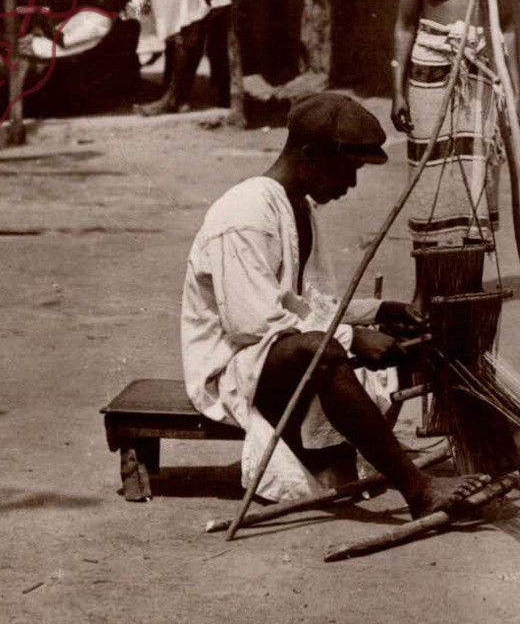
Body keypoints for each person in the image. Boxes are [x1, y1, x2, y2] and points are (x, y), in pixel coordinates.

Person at [181, 91, 489, 514]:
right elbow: (255, 326)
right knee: (323, 351)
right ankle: (416, 487)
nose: (351, 184)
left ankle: (498, 451)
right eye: (347, 170)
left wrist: (380, 313)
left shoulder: (298, 210)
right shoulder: (244, 216)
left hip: (272, 354)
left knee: (400, 338)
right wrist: (350, 337)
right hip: (233, 366)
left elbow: (309, 304)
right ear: (308, 155)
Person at [390, 0, 520, 253]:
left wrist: (513, 87)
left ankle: (470, 275)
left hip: (480, 74)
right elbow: (404, 25)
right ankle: (425, 284)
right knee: (429, 169)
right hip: (429, 73)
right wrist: (396, 92)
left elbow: (508, 29)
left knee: (478, 168)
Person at [19, 0, 141, 115]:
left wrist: (42, 21)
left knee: (0, 37)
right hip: (42, 44)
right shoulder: (94, 14)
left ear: (120, 1)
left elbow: (64, 41)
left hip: (47, 50)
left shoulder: (101, 22)